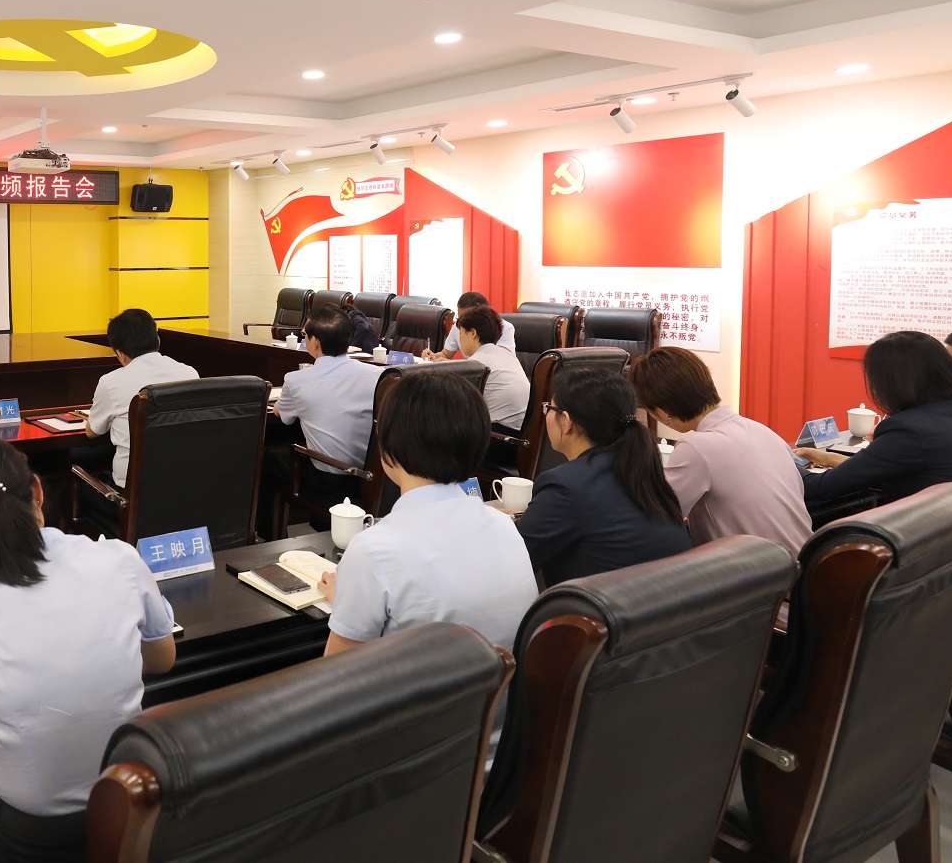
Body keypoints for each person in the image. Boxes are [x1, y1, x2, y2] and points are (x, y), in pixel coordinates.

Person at [0, 440, 176, 863]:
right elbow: (162, 658)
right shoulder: (119, 559)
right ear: (38, 490)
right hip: (131, 815)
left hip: (28, 839)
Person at [318, 371, 536, 762]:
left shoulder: (374, 549)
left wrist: (347, 600)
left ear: (389, 448)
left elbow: (334, 688)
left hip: (414, 766)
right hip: (501, 757)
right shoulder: (505, 527)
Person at [515, 367, 691, 584]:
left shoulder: (565, 486)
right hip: (664, 600)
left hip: (601, 605)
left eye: (549, 408)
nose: (547, 415)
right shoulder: (642, 470)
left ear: (566, 421)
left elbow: (510, 563)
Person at [630, 347, 811, 552]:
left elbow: (656, 516)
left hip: (758, 568)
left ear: (663, 412)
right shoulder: (764, 432)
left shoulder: (696, 448)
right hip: (803, 560)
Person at [796, 330, 952, 506]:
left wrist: (782, 462)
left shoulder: (908, 430)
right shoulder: (941, 417)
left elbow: (818, 488)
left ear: (891, 383)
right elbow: (883, 468)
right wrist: (830, 459)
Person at [268, 306, 383, 527]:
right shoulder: (377, 375)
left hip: (330, 480)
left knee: (270, 461)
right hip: (370, 478)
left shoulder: (296, 380)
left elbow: (282, 415)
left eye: (305, 335)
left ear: (315, 342)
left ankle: (270, 537)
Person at [85, 308, 199, 487]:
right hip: (183, 485)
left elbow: (92, 432)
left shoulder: (110, 382)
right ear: (158, 339)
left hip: (130, 493)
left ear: (120, 353)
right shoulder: (190, 374)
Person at [454, 305, 530, 433]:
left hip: (498, 435)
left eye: (461, 333)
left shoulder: (476, 364)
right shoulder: (508, 355)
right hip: (524, 433)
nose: (460, 340)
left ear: (473, 333)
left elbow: (462, 407)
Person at [430, 292, 516, 359]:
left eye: (467, 317)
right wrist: (434, 356)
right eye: (460, 317)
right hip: (470, 374)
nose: (462, 322)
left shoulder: (504, 328)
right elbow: (446, 354)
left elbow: (497, 361)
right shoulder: (459, 325)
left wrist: (452, 364)